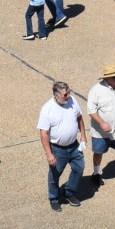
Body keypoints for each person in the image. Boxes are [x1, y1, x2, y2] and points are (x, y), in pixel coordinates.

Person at [37, 81, 86, 210]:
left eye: (69, 92)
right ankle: (53, 198)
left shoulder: (73, 101)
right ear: (56, 95)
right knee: (55, 175)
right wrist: (49, 154)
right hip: (58, 149)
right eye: (65, 94)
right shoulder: (47, 109)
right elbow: (43, 134)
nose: (68, 96)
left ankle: (69, 192)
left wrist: (83, 136)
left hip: (74, 146)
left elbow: (79, 118)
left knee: (79, 168)